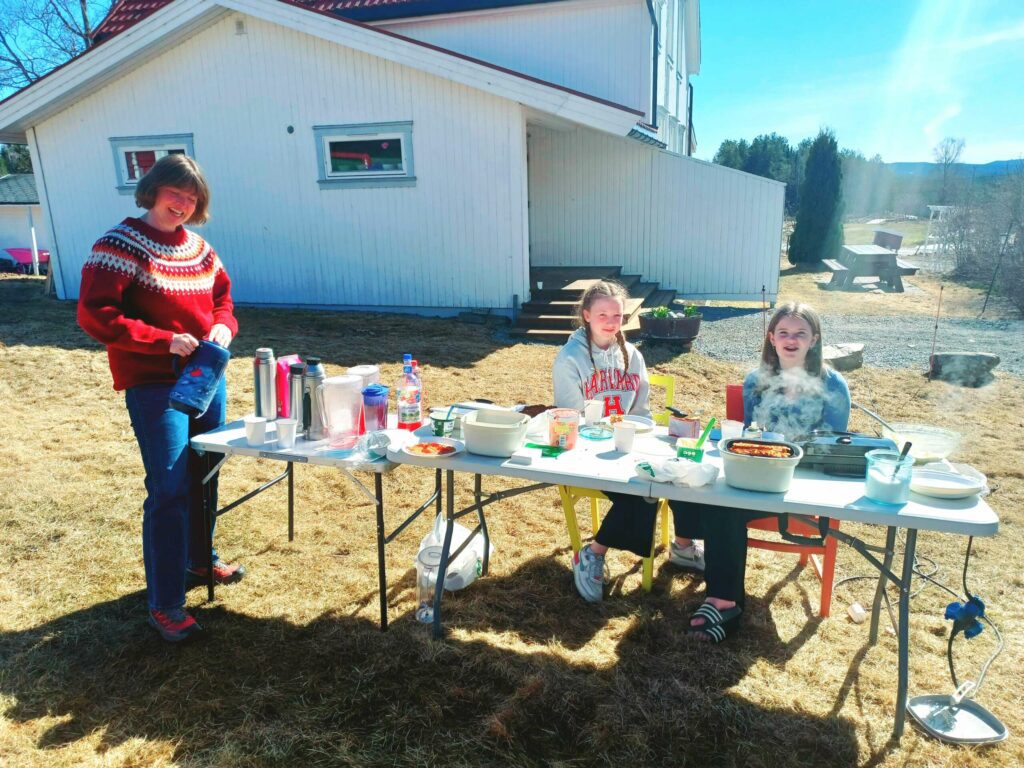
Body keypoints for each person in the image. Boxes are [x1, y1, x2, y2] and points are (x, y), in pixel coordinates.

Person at [77, 154, 244, 643]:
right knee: (170, 487)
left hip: (206, 377)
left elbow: (224, 301)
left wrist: (222, 326)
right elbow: (95, 315)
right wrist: (160, 339)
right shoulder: (118, 244)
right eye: (176, 193)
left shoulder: (200, 248)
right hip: (155, 385)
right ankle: (166, 604)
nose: (184, 203)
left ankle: (199, 560)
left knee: (206, 474)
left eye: (193, 198)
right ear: (152, 190)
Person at [684, 301, 850, 642]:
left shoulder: (833, 385)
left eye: (800, 333)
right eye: (784, 333)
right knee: (719, 500)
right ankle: (723, 599)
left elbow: (835, 446)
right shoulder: (755, 380)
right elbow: (746, 436)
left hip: (804, 485)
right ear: (772, 338)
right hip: (758, 475)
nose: (792, 340)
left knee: (725, 507)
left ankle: (721, 599)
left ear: (814, 340)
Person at [553, 280, 705, 602]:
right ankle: (592, 554)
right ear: (586, 316)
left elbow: (642, 410)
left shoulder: (632, 355)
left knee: (682, 469)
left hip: (629, 444)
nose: (611, 322)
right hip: (588, 450)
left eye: (617, 315)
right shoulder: (570, 359)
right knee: (642, 491)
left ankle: (682, 546)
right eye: (603, 314)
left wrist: (642, 440)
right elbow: (571, 416)